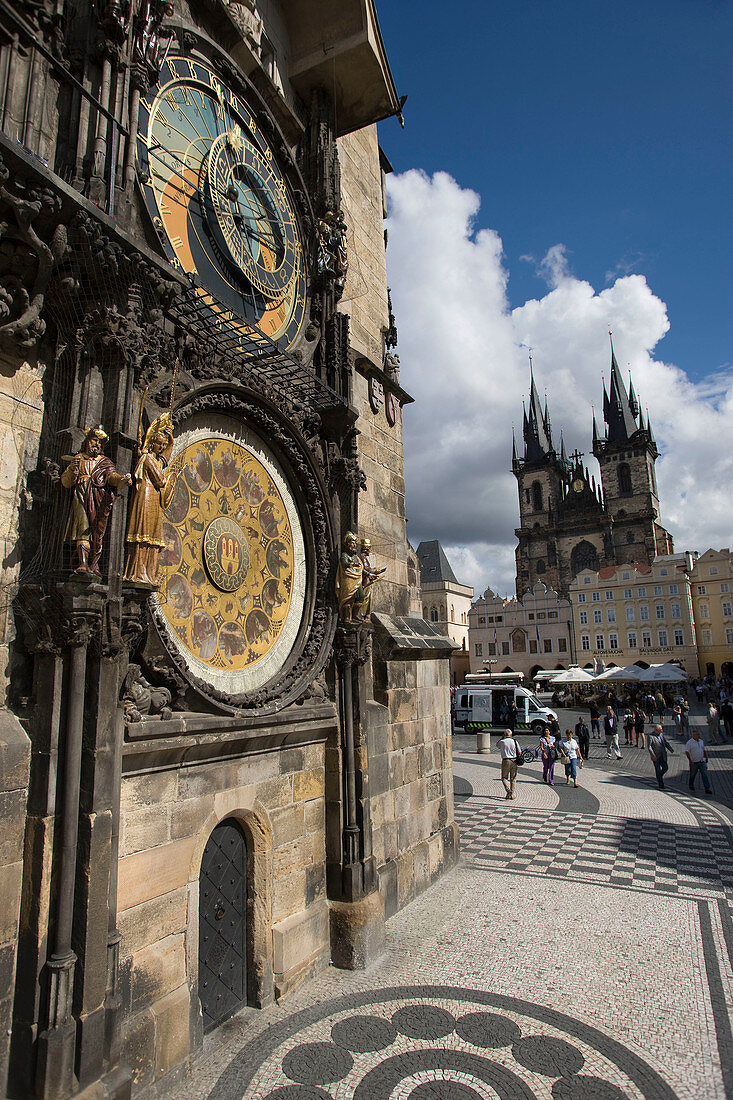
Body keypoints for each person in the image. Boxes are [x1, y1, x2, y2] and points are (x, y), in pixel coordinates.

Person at [62, 426, 131, 574]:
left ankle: (92, 563)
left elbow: (112, 477)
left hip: (97, 500)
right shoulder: (78, 459)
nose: (97, 445)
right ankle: (82, 564)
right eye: (95, 440)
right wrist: (73, 472)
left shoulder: (105, 462)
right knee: (82, 529)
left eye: (100, 443)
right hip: (80, 497)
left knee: (97, 532)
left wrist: (122, 480)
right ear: (87, 441)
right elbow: (66, 482)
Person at [124, 412, 175, 587]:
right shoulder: (147, 458)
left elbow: (166, 456)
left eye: (163, 445)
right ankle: (138, 573)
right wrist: (170, 481)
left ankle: (148, 574)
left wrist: (170, 438)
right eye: (159, 444)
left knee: (153, 537)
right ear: (151, 443)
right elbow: (161, 479)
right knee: (143, 534)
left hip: (153, 496)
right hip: (146, 496)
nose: (161, 448)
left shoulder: (156, 459)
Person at [685, 729, 712, 795]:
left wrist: (706, 757)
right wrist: (690, 760)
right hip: (694, 762)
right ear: (693, 735)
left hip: (702, 761)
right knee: (692, 775)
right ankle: (691, 785)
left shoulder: (701, 741)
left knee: (704, 774)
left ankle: (707, 788)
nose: (698, 736)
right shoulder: (689, 742)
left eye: (698, 734)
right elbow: (687, 752)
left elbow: (703, 750)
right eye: (697, 735)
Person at [648, 723, 675, 790]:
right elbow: (649, 747)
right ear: (657, 730)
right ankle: (661, 784)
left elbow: (665, 743)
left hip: (663, 755)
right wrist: (653, 755)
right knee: (657, 769)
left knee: (665, 767)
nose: (662, 730)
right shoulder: (651, 736)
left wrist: (670, 749)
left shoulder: (661, 735)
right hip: (656, 756)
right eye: (660, 729)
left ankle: (659, 776)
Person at [497, 729, 520, 800]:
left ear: (504, 735)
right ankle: (512, 794)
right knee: (513, 778)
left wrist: (501, 738)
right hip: (514, 760)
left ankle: (508, 791)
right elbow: (519, 752)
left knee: (504, 777)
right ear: (511, 735)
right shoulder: (514, 741)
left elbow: (497, 745)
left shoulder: (502, 742)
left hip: (506, 760)